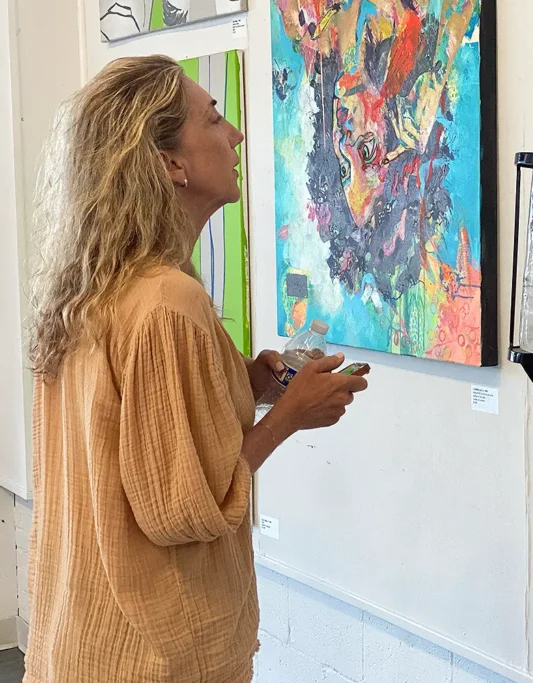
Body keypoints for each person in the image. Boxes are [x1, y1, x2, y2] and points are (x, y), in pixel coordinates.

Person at [24, 55, 368, 682]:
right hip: (154, 656)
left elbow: (144, 442)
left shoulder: (98, 288)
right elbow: (179, 509)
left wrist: (251, 382)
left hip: (83, 638)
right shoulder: (167, 300)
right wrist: (289, 417)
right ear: (171, 164)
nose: (235, 133)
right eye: (213, 119)